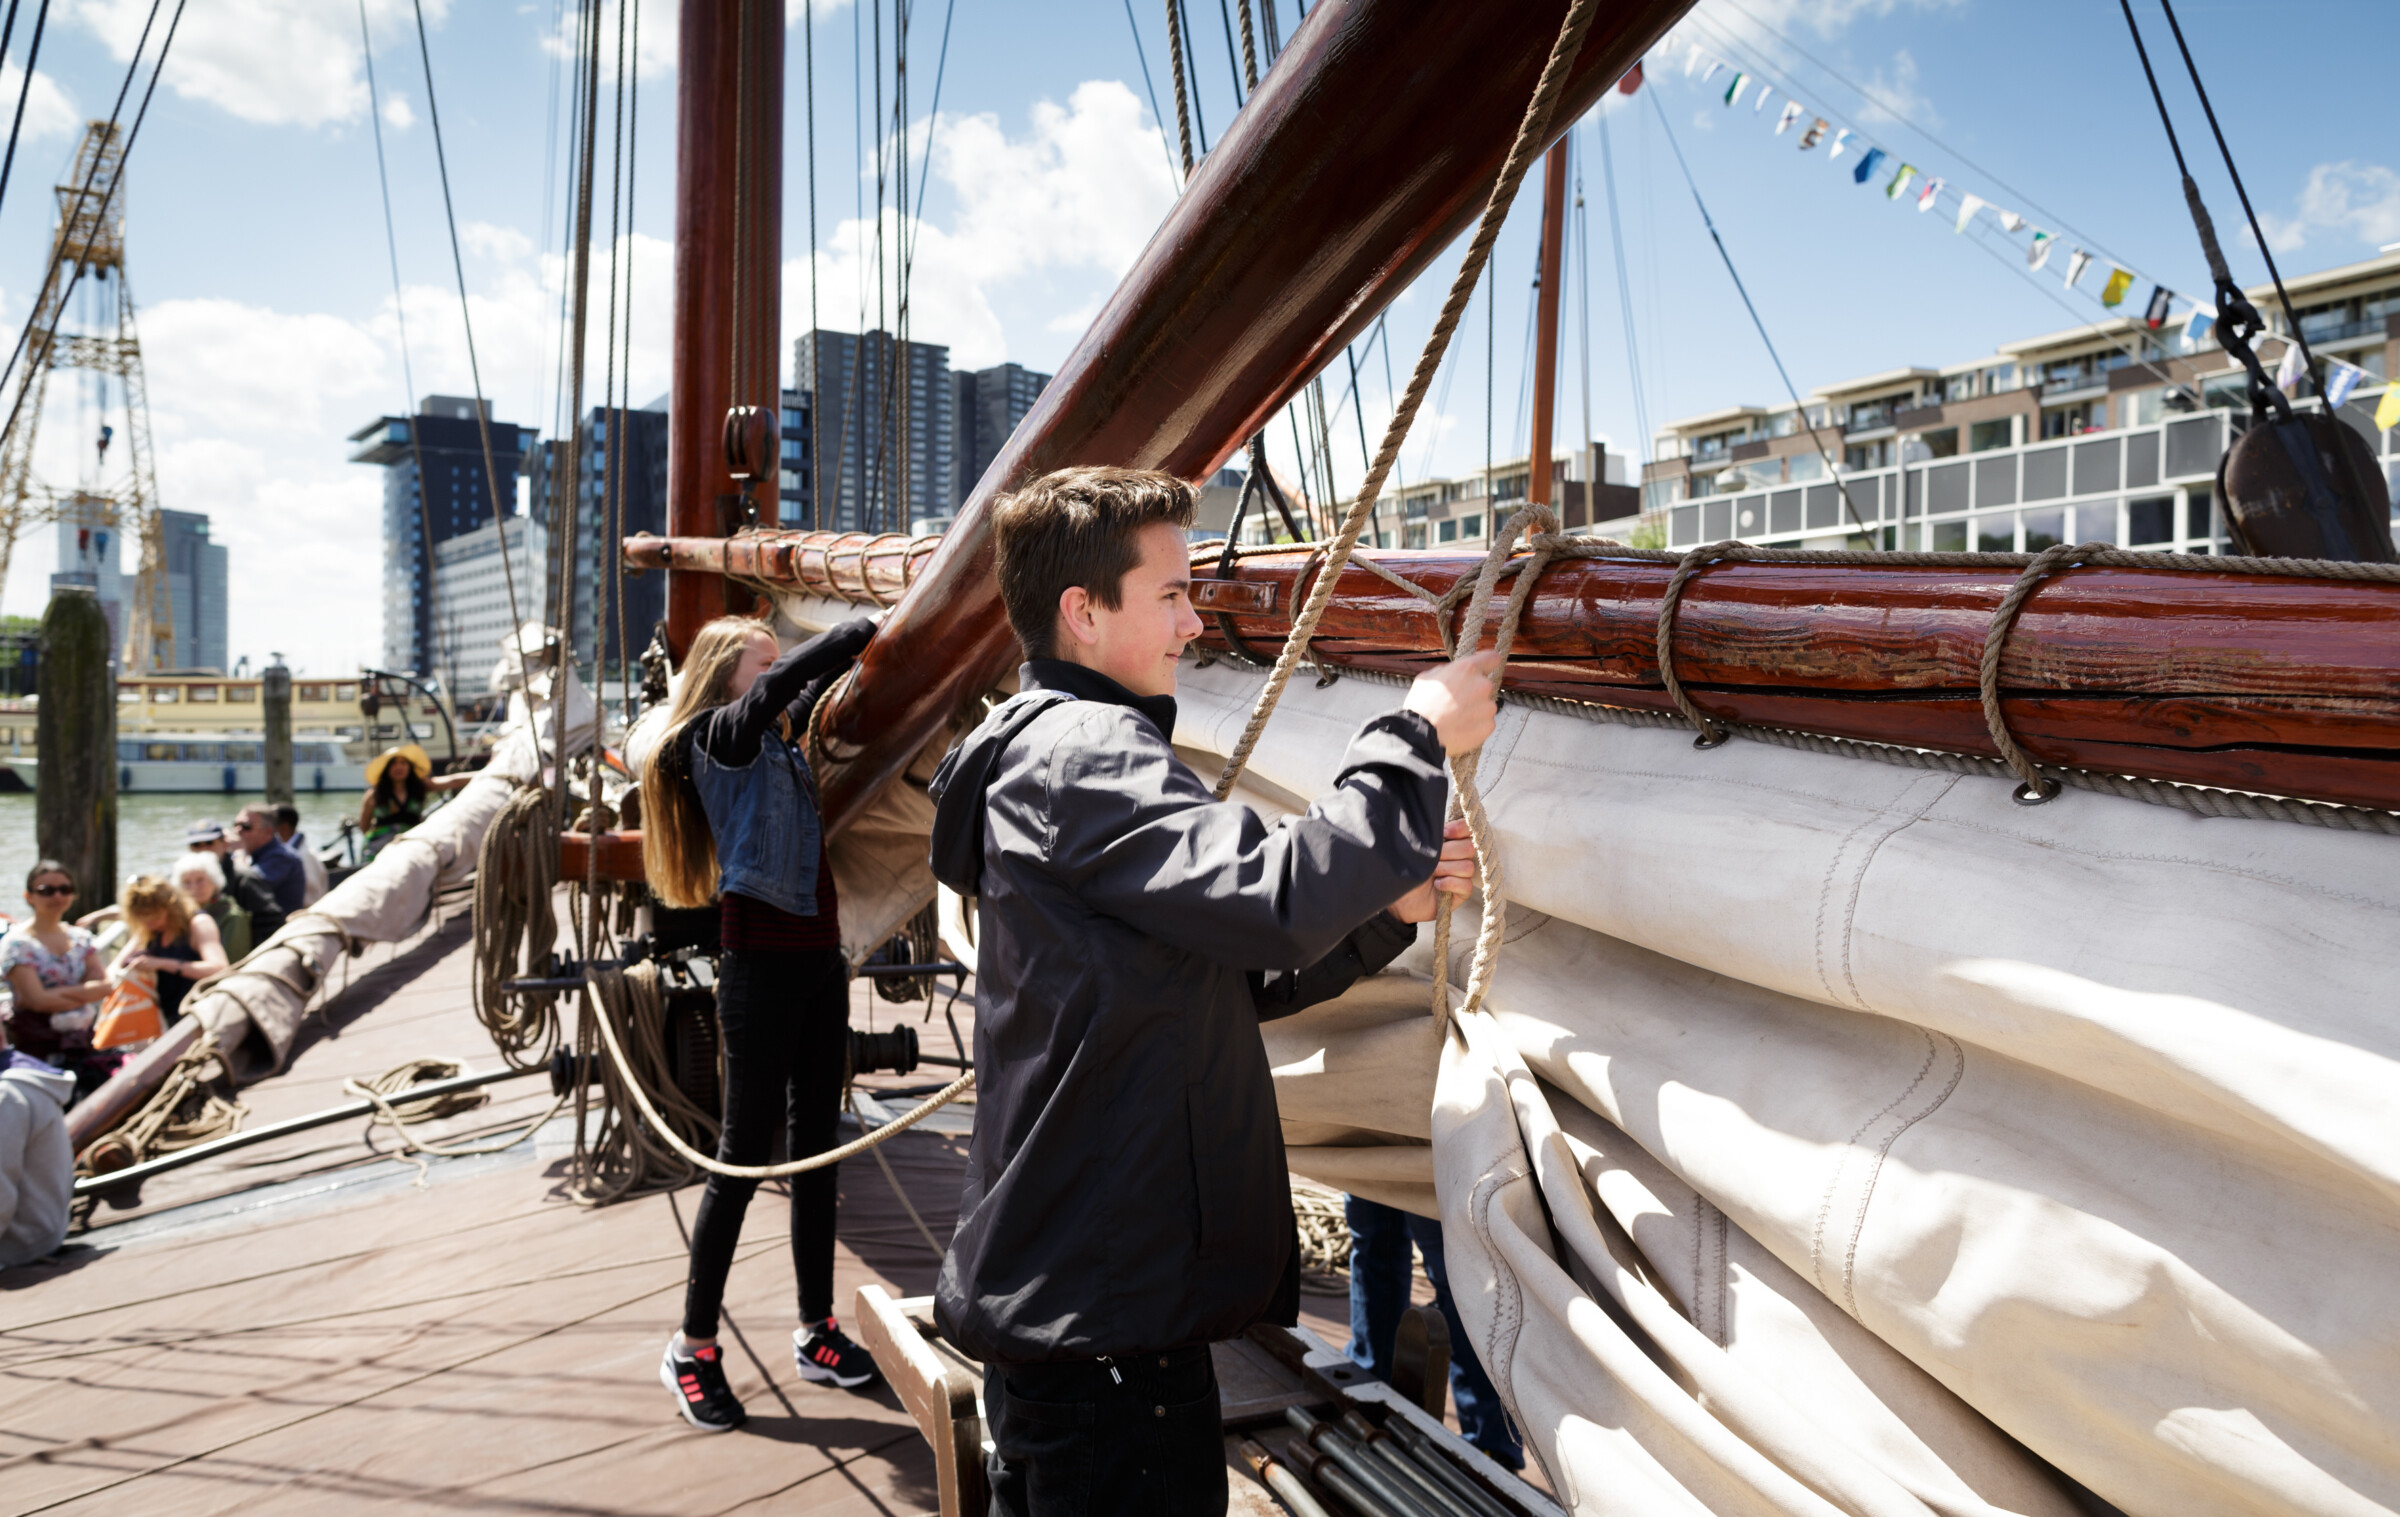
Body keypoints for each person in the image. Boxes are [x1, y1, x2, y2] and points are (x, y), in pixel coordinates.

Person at [925, 466, 1492, 1515]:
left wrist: (1384, 913)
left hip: (1091, 1315)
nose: (1196, 621)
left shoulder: (1051, 752)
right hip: (1107, 1333)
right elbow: (1271, 897)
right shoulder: (1085, 755)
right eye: (1172, 595)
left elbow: (1209, 976)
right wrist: (1414, 735)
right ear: (1082, 613)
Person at [640, 609, 878, 1433]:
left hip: (818, 963)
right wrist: (856, 628)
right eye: (761, 661)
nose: (776, 673)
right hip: (758, 972)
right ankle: (692, 1347)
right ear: (724, 675)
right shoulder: (720, 737)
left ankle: (817, 1331)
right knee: (741, 1160)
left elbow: (799, 688)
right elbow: (788, 683)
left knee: (820, 1149)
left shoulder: (777, 741)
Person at [1344, 1197, 1524, 1469]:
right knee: (1373, 1244)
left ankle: (1489, 1445)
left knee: (1455, 1268)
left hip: (1435, 1155)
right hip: (1361, 1153)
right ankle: (1369, 1389)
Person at [0, 862, 112, 1099]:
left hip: (83, 1041)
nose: (57, 896)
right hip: (37, 1045)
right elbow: (37, 1001)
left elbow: (106, 986)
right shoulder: (17, 944)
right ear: (29, 896)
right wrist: (84, 992)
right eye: (46, 890)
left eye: (64, 889)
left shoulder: (80, 938)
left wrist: (57, 996)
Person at [112, 876, 227, 1029]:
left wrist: (162, 964)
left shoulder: (199, 923)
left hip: (195, 1013)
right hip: (161, 1015)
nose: (150, 924)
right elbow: (115, 968)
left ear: (171, 908)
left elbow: (219, 969)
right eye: (144, 919)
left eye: (156, 918)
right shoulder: (147, 930)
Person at [358, 744, 470, 859]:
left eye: (403, 763)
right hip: (379, 847)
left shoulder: (420, 786)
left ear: (409, 766)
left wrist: (483, 774)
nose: (399, 767)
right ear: (387, 768)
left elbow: (452, 781)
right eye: (394, 764)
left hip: (412, 843)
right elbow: (364, 827)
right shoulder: (374, 794)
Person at [230, 804, 307, 925]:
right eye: (235, 825)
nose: (237, 831)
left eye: (246, 827)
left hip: (277, 933)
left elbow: (248, 886)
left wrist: (239, 853)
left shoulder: (282, 857)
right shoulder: (255, 854)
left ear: (268, 831)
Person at [172, 854, 251, 962]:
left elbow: (233, 961)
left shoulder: (232, 917)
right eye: (187, 882)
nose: (194, 888)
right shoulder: (180, 915)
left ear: (214, 882)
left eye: (200, 880)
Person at [272, 803, 330, 905]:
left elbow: (310, 900)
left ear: (284, 827)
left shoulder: (303, 857)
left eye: (270, 825)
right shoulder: (297, 852)